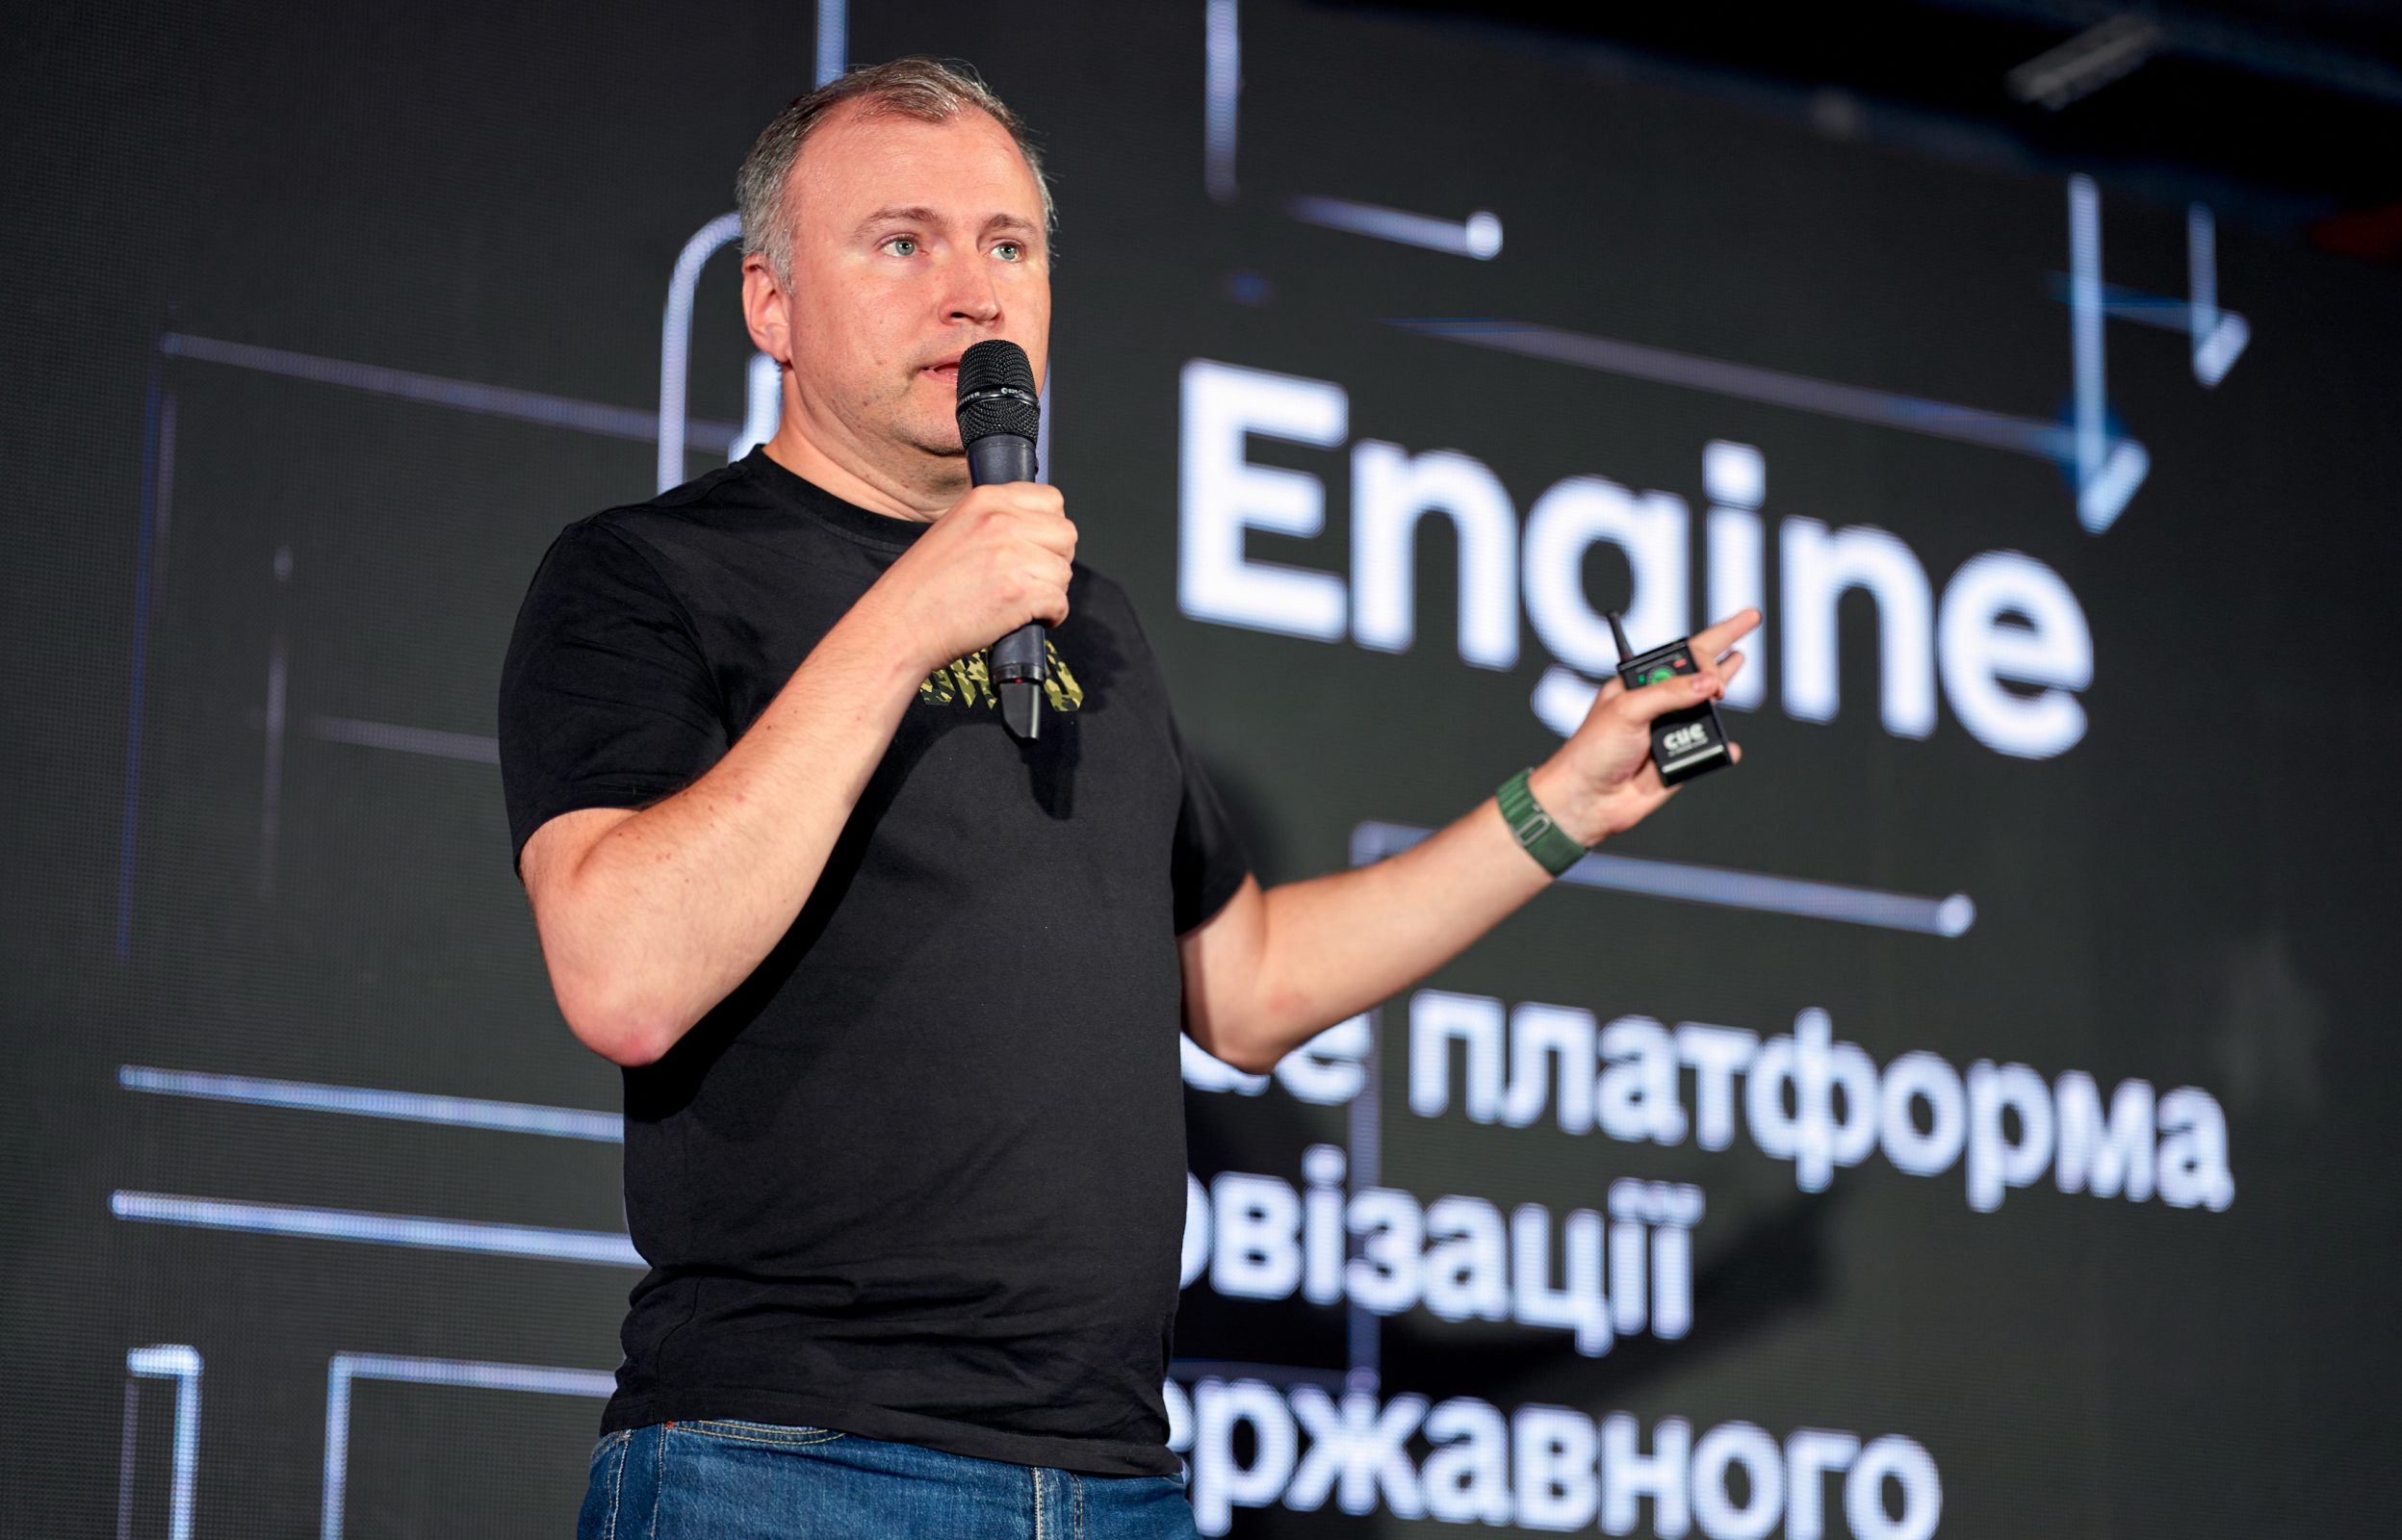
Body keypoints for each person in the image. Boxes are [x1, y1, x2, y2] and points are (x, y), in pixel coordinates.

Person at [498, 56, 1758, 1540]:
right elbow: (625, 975)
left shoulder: (1084, 619)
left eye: (1009, 246)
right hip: (790, 1463)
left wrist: (1563, 806)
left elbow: (1249, 988)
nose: (973, 294)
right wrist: (909, 619)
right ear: (769, 304)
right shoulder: (646, 576)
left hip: (1111, 1483)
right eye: (903, 242)